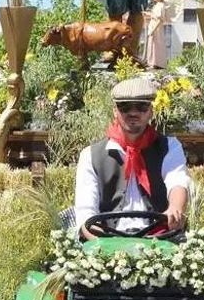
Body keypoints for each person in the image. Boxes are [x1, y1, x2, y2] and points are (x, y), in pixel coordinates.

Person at [72, 77, 190, 238]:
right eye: (125, 107)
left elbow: (177, 182)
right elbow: (86, 213)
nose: (133, 113)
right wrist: (102, 246)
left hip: (160, 239)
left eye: (141, 107)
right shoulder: (90, 155)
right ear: (115, 111)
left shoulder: (170, 146)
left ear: (151, 111)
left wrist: (175, 208)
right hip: (108, 240)